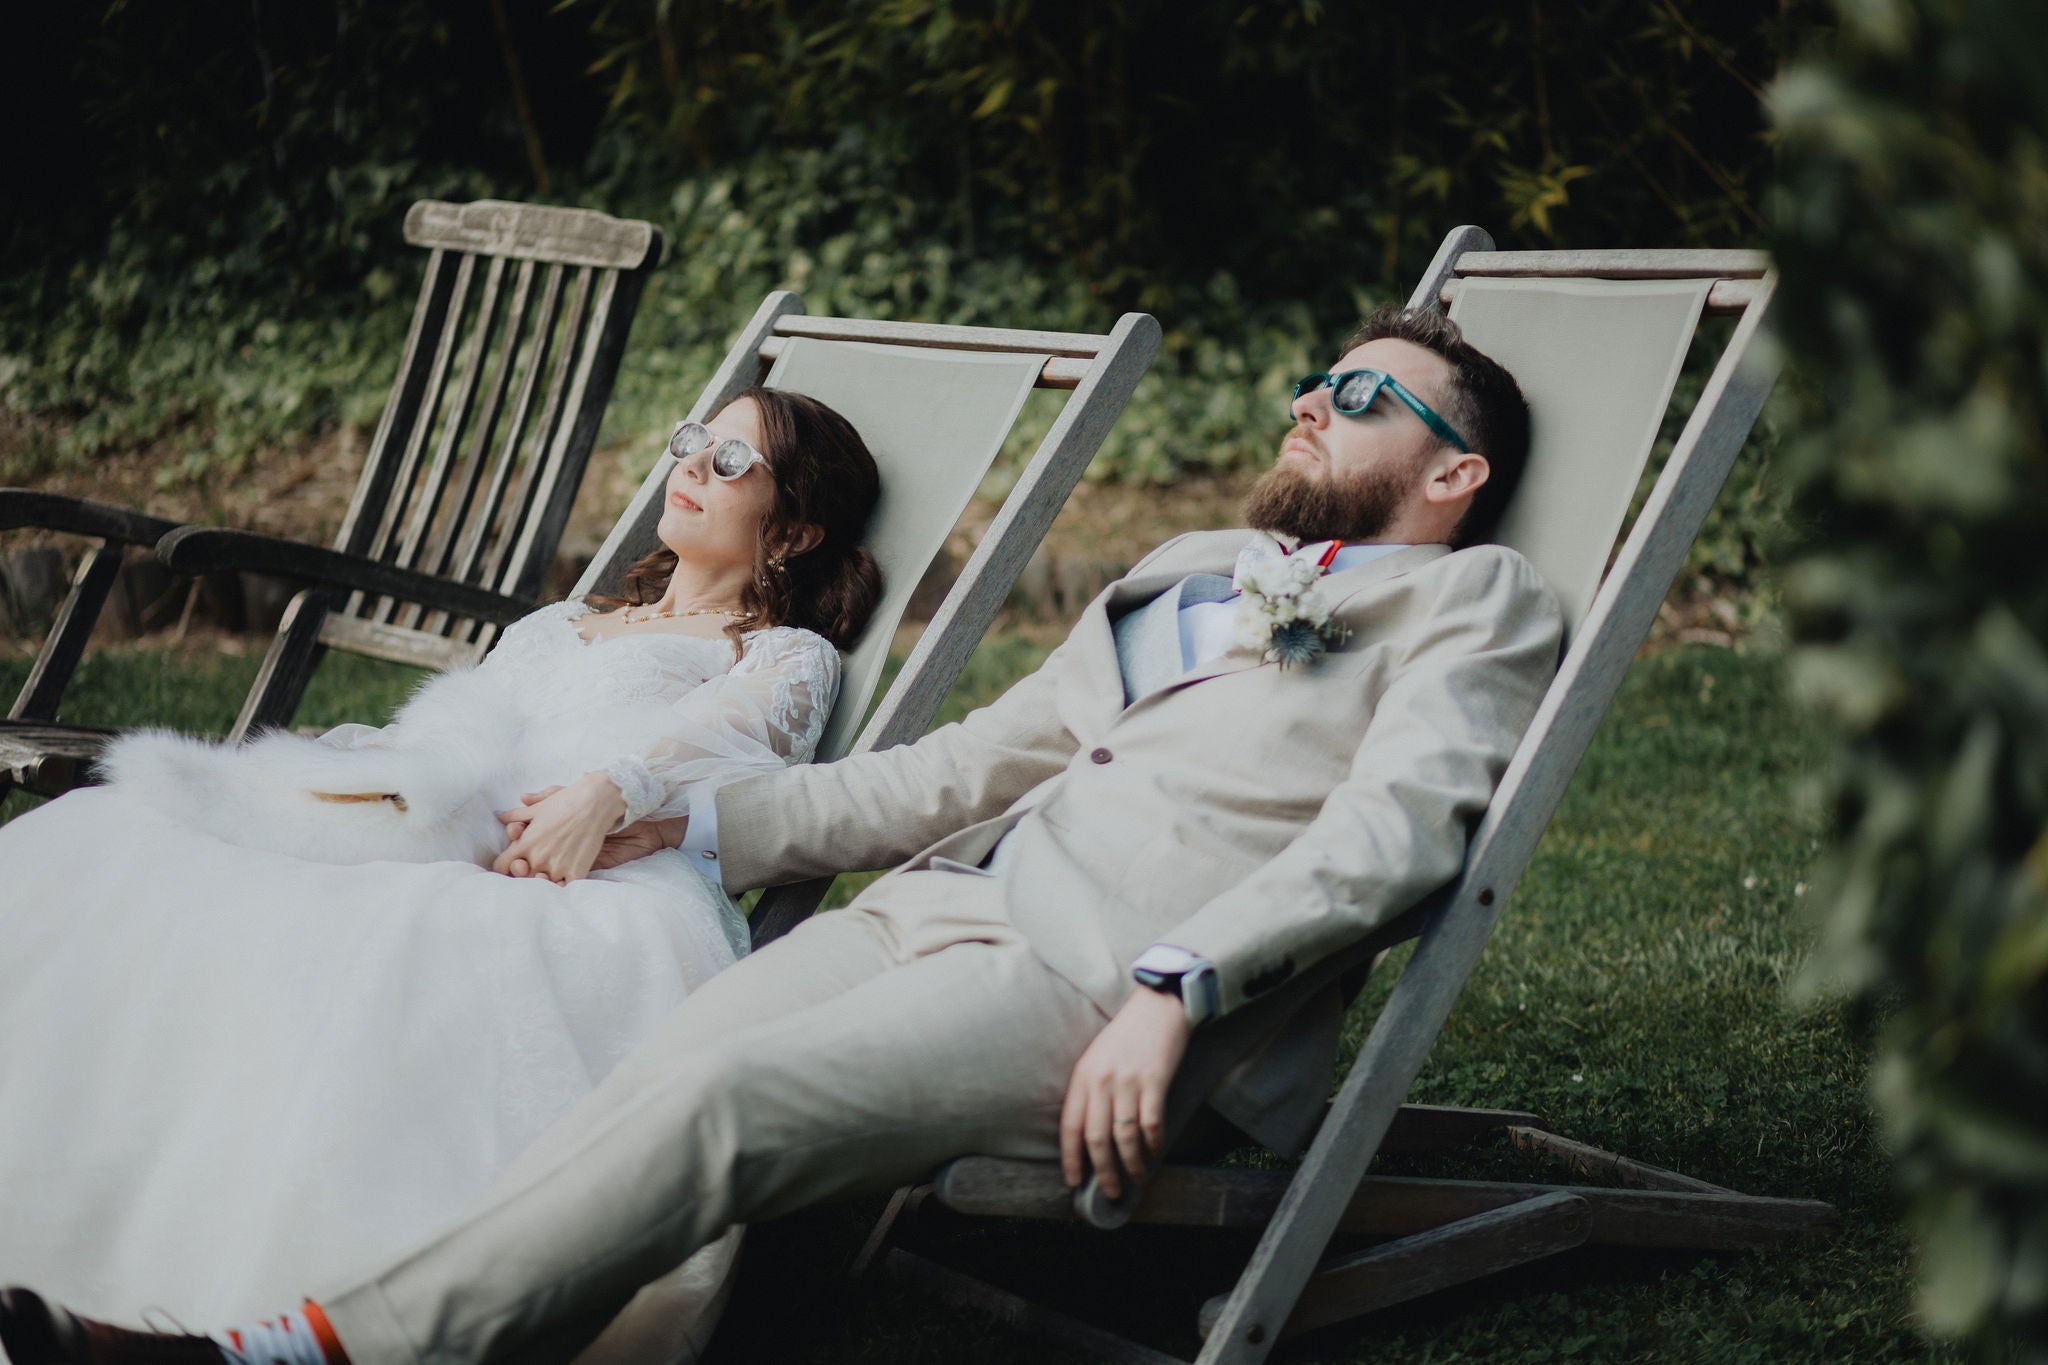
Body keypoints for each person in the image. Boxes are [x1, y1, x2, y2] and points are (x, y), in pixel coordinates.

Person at [0, 304, 1564, 1365]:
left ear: (1454, 472)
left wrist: (1177, 986)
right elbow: (961, 766)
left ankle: (297, 1348)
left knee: (732, 1095)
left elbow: (1398, 832)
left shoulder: (1480, 600)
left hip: (1088, 977)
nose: (1312, 401)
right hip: (931, 912)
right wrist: (685, 814)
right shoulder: (1189, 565)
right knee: (658, 1060)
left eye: (1360, 396)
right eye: (1317, 378)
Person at [0, 387, 882, 1341]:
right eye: (692, 444)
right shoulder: (558, 622)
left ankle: (267, 1319)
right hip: (440, 822)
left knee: (390, 943)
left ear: (792, 534)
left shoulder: (782, 654)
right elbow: (449, 731)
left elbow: (729, 742)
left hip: (587, 875)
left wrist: (609, 791)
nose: (692, 465)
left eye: (731, 463)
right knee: (123, 838)